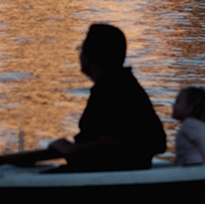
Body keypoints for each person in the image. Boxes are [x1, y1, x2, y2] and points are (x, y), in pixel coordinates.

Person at [47, 24, 166, 172]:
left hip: (109, 171)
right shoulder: (124, 84)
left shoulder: (113, 89)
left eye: (81, 49)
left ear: (89, 58)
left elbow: (121, 137)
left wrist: (73, 149)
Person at [171, 87, 205, 166]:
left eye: (178, 102)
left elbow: (204, 146)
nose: (173, 105)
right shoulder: (197, 125)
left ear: (190, 108)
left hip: (194, 166)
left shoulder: (190, 123)